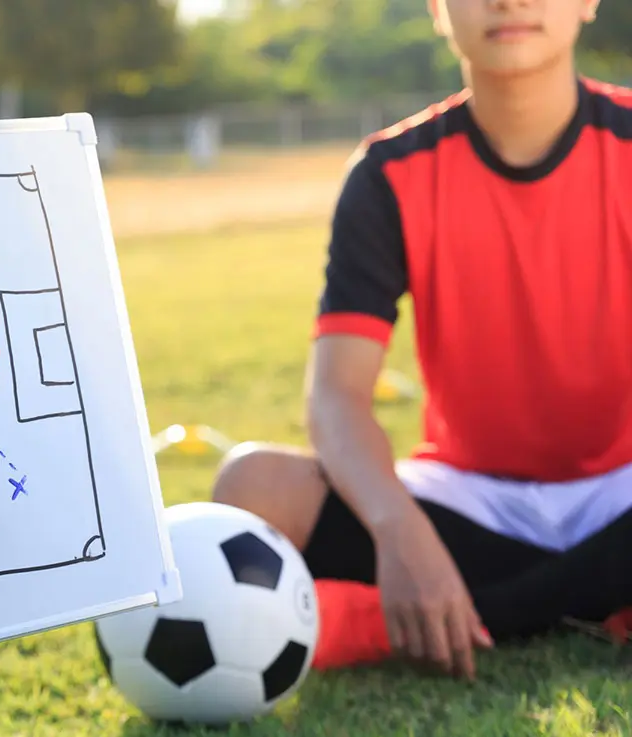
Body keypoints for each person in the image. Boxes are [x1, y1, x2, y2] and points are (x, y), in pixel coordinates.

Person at [212, 0, 632, 683]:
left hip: (622, 489)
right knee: (252, 486)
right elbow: (337, 396)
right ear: (438, 8)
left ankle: (450, 619)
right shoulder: (390, 172)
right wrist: (399, 531)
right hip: (468, 502)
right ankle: (599, 596)